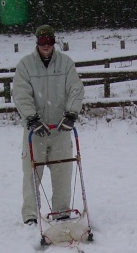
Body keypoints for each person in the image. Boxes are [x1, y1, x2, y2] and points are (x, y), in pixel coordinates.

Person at [13, 25, 85, 225]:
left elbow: (76, 89)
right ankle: (30, 215)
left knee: (62, 171)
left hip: (60, 128)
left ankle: (61, 211)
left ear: (55, 41)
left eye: (50, 41)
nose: (47, 46)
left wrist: (71, 113)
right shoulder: (26, 65)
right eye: (43, 42)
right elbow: (20, 94)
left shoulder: (65, 63)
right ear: (37, 42)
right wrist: (32, 118)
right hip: (35, 131)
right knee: (31, 173)